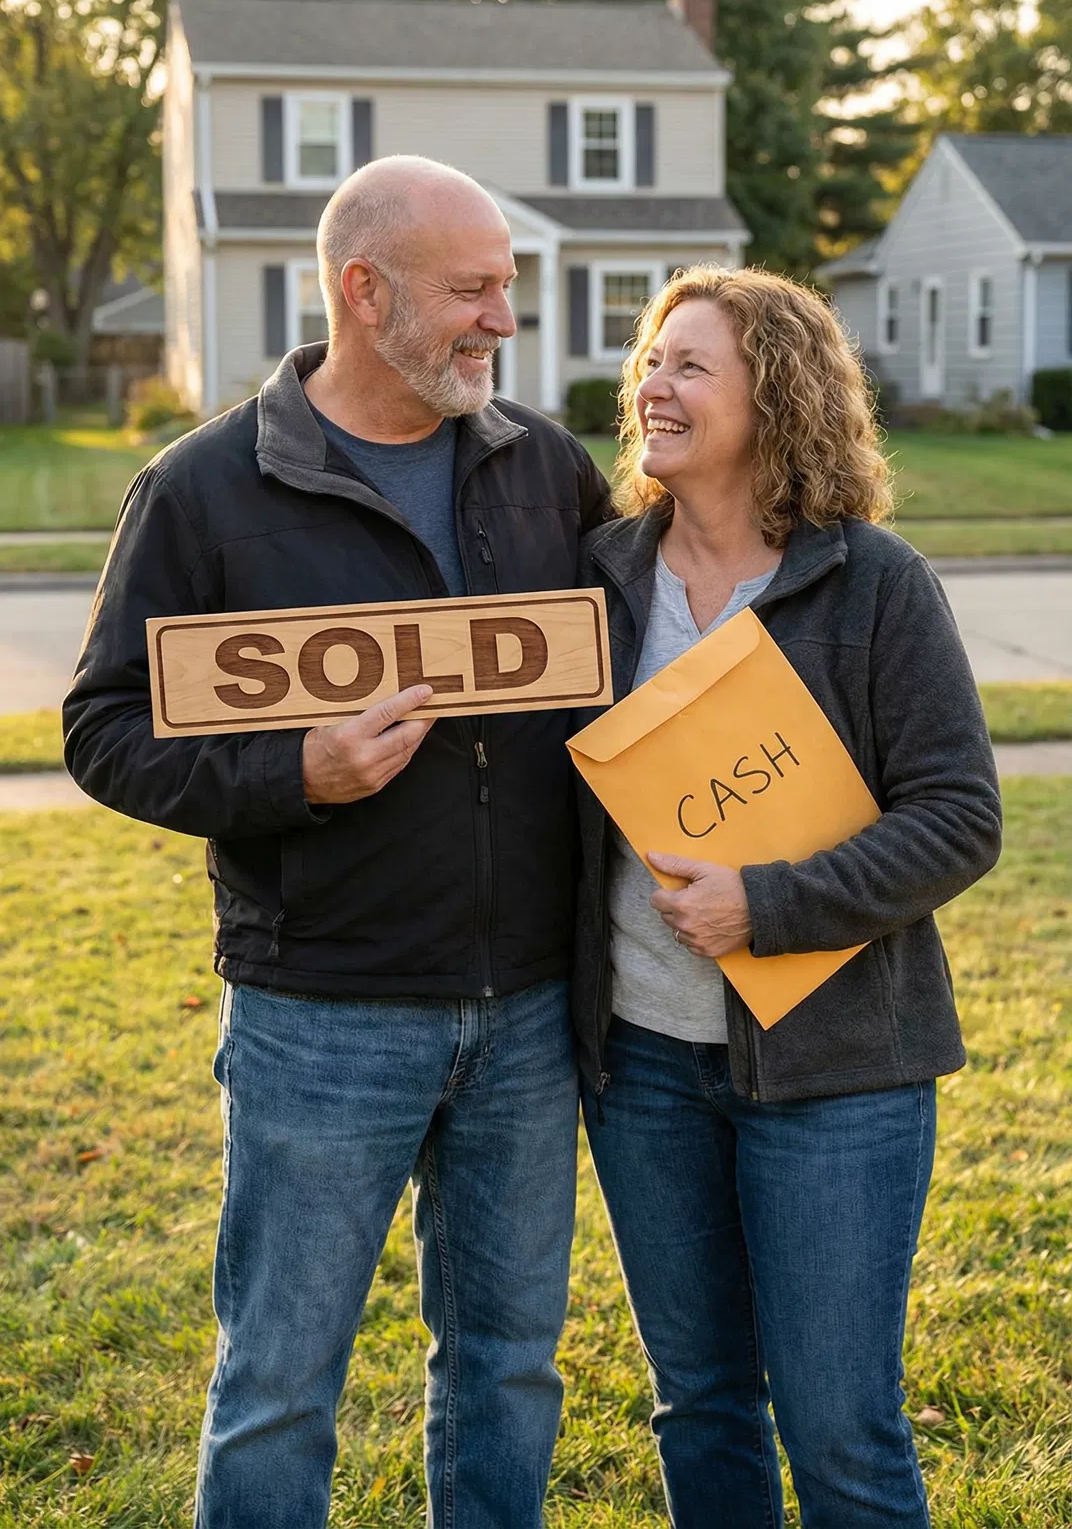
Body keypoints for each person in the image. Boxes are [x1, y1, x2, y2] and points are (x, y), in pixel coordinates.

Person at [64, 155, 612, 1529]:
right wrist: (290, 772)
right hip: (323, 1011)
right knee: (280, 1384)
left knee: (506, 1371)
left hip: (534, 1008)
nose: (504, 318)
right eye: (473, 290)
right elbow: (105, 729)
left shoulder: (541, 465)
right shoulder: (205, 491)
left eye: (511, 286)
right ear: (366, 296)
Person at [572, 265, 1002, 1529]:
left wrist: (772, 902)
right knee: (698, 1401)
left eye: (690, 366)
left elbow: (960, 818)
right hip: (645, 1064)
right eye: (651, 359)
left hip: (838, 1075)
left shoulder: (872, 585)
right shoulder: (599, 579)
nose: (653, 385)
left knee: (840, 1432)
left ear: (780, 398)